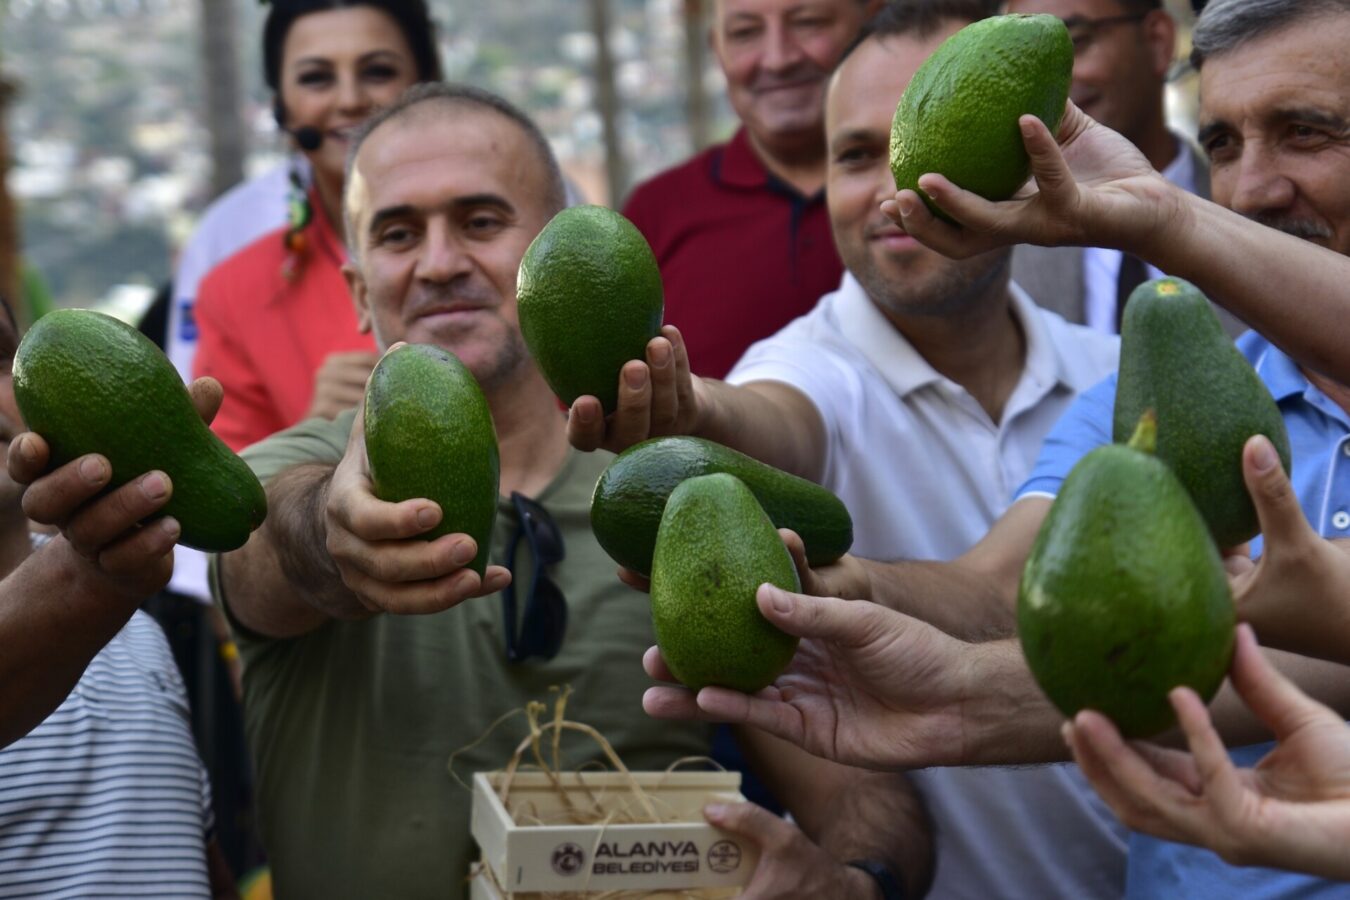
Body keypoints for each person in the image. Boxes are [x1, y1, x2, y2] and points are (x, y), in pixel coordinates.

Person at [647, 0, 1350, 896]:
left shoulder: (1121, 347)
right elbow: (1015, 590)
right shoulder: (1145, 396)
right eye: (1219, 144)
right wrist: (914, 660)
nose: (1251, 189)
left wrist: (1165, 220)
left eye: (1306, 133)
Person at [211, 81, 929, 899]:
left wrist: (858, 882)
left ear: (558, 260)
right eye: (399, 233)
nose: (440, 263)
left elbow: (859, 781)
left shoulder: (683, 493)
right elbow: (270, 545)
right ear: (356, 288)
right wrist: (330, 537)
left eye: (481, 222)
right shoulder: (296, 470)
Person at [575, 3, 1135, 895]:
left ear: (1028, 163)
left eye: (922, 144)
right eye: (854, 154)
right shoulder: (808, 364)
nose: (887, 187)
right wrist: (694, 412)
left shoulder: (1114, 374)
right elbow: (769, 419)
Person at [0, 295, 235, 895]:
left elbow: (190, 852)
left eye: (0, 356)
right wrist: (90, 585)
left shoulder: (132, 620)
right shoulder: (102, 591)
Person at [191, 0, 442, 453]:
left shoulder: (521, 246)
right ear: (281, 110)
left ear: (428, 85)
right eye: (316, 78)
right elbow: (226, 498)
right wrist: (313, 434)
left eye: (379, 71)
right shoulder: (232, 291)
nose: (349, 100)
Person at [620, 0, 882, 378]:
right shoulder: (655, 214)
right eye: (745, 32)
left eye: (808, 23)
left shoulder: (921, 193)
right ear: (717, 48)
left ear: (870, 23)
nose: (778, 59)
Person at [1004, 0, 1244, 336]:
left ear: (1158, 41)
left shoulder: (1256, 214)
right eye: (1018, 59)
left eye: (1073, 41)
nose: (1039, 80)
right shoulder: (1007, 254)